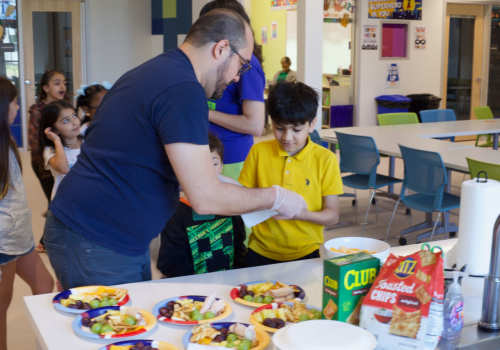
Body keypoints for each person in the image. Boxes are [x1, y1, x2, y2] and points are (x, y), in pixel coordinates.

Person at [44, 9, 307, 289]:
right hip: (97, 238)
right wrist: (275, 197)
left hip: (106, 233)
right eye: (242, 66)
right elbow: (206, 197)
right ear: (221, 49)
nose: (238, 79)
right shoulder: (183, 89)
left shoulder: (158, 71)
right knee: (118, 330)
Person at [239, 81, 343, 267]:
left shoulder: (325, 159)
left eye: (296, 130)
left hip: (306, 252)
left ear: (312, 124)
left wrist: (297, 213)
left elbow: (332, 216)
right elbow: (243, 198)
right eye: (279, 128)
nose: (287, 138)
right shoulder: (258, 152)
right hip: (259, 250)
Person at [0, 77, 54, 350]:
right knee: (2, 305)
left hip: (18, 236)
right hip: (4, 240)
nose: (18, 107)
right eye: (13, 102)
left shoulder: (6, 138)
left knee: (45, 284)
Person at [157, 133, 246, 277]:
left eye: (214, 163)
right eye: (201, 165)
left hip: (228, 283)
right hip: (189, 287)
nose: (208, 171)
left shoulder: (232, 205)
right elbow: (170, 263)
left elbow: (239, 247)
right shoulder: (175, 210)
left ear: (222, 166)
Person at [201, 0, 266, 180]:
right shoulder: (212, 59)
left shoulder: (247, 64)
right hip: (205, 152)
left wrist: (204, 113)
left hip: (231, 159)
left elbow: (254, 125)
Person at [28, 70, 68, 252]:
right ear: (45, 88)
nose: (62, 86)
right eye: (57, 83)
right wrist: (43, 167)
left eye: (64, 83)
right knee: (55, 201)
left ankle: (48, 239)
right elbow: (35, 142)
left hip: (61, 159)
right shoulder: (38, 111)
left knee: (57, 199)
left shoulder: (64, 107)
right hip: (43, 162)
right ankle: (45, 240)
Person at [39, 100, 82, 199]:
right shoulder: (50, 151)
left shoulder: (88, 143)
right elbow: (64, 168)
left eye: (74, 116)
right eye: (66, 121)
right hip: (65, 203)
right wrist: (56, 140)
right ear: (53, 129)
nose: (74, 123)